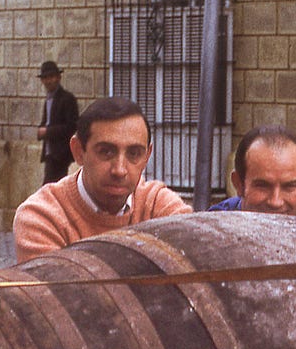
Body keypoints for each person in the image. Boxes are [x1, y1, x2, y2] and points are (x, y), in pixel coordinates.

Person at [14, 96, 190, 262]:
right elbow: (52, 293)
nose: (119, 170)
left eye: (134, 154)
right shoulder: (43, 217)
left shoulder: (158, 205)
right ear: (78, 151)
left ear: (147, 156)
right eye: (106, 152)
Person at [209, 124, 296, 221]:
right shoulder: (210, 230)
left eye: (289, 187)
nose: (275, 202)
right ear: (238, 184)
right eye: (263, 186)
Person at [37, 60, 78, 184]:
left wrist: (47, 131)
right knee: (51, 191)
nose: (48, 81)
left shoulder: (67, 99)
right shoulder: (48, 99)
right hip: (50, 153)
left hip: (60, 154)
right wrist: (40, 131)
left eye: (51, 77)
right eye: (45, 78)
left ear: (58, 78)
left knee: (49, 191)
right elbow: (46, 122)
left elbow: (71, 127)